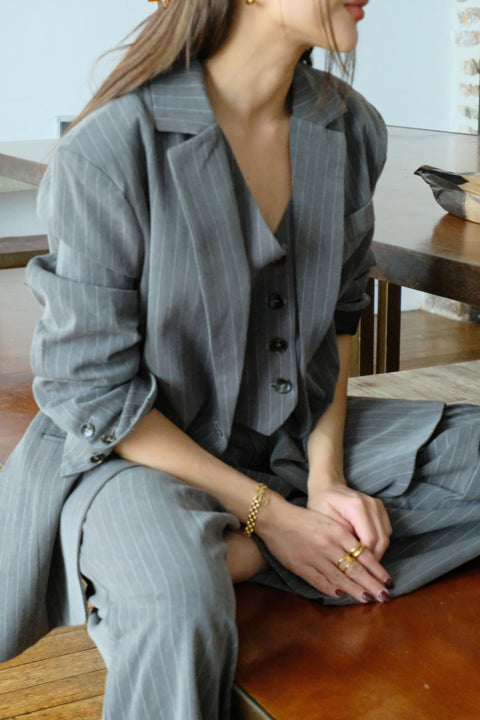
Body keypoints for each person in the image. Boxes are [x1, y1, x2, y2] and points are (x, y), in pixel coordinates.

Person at [1, 0, 480, 717]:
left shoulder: (351, 127)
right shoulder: (110, 148)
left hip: (286, 439)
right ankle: (178, 560)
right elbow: (95, 395)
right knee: (180, 607)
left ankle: (230, 554)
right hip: (137, 453)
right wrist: (276, 519)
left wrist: (325, 481)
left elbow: (337, 324)